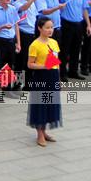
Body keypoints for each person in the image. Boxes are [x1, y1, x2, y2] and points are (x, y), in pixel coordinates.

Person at [27, 17, 62, 147]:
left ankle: (45, 131)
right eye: (47, 27)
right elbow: (30, 64)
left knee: (50, 104)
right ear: (40, 28)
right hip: (41, 76)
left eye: (51, 27)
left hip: (52, 75)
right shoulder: (35, 45)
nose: (50, 30)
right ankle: (39, 134)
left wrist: (58, 77)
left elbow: (57, 62)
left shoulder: (54, 42)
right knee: (40, 104)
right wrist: (44, 66)